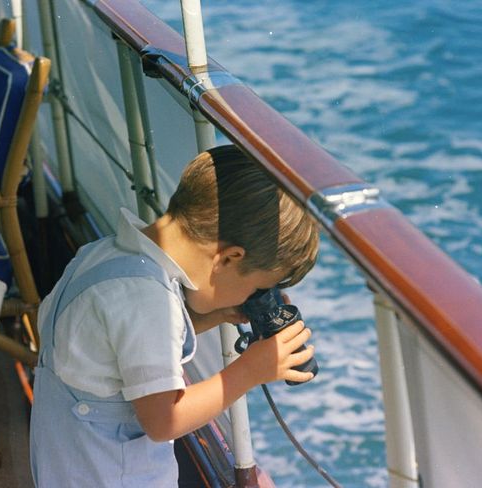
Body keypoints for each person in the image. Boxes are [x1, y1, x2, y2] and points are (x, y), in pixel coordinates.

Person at [30, 144, 320, 487]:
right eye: (256, 286)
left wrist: (212, 317)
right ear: (228, 258)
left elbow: (118, 350)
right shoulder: (148, 302)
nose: (252, 297)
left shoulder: (103, 256)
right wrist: (251, 370)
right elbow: (164, 420)